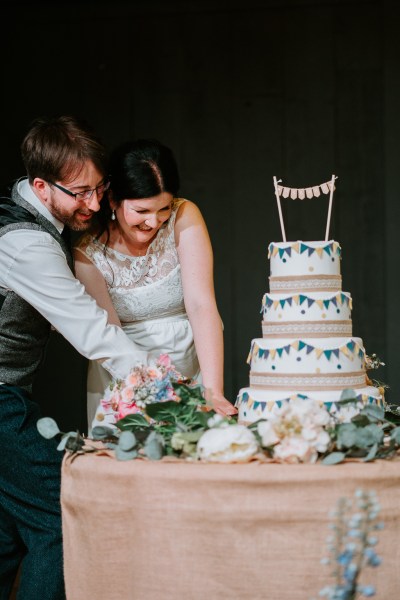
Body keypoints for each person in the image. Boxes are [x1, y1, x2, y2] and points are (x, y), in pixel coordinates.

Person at [0, 116, 149, 600]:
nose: (95, 203)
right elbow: (93, 333)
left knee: (6, 537)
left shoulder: (24, 210)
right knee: (59, 517)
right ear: (41, 186)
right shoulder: (26, 243)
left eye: (99, 188)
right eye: (80, 192)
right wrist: (164, 383)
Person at [74, 138, 237, 432]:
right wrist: (160, 393)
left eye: (163, 209)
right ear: (113, 200)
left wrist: (212, 391)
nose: (154, 222)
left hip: (192, 371)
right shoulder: (88, 256)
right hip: (125, 383)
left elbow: (201, 305)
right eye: (142, 211)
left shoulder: (184, 216)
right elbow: (110, 337)